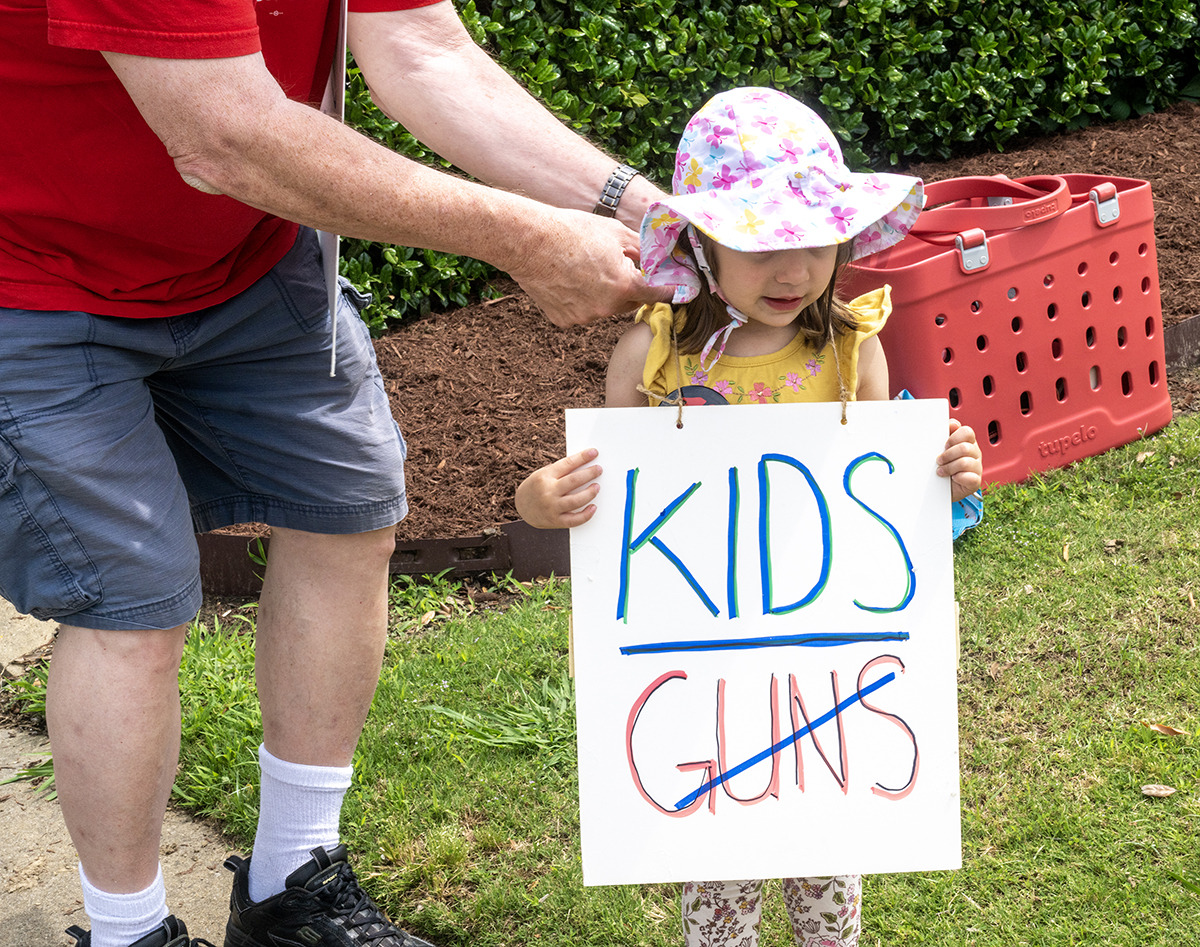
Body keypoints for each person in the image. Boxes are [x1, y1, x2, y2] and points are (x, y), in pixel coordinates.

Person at [0, 1, 671, 946]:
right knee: (132, 608)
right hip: (31, 278)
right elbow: (226, 136)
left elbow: (425, 50)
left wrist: (649, 213)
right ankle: (128, 932)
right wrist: (523, 237)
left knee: (346, 512)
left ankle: (293, 886)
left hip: (248, 256)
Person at [516, 87, 984, 947]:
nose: (794, 270)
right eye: (760, 244)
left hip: (830, 675)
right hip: (706, 687)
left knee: (827, 865)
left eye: (814, 240)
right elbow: (608, 502)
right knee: (719, 862)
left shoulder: (852, 349)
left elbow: (882, 502)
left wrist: (945, 478)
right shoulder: (650, 356)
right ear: (700, 242)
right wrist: (540, 500)